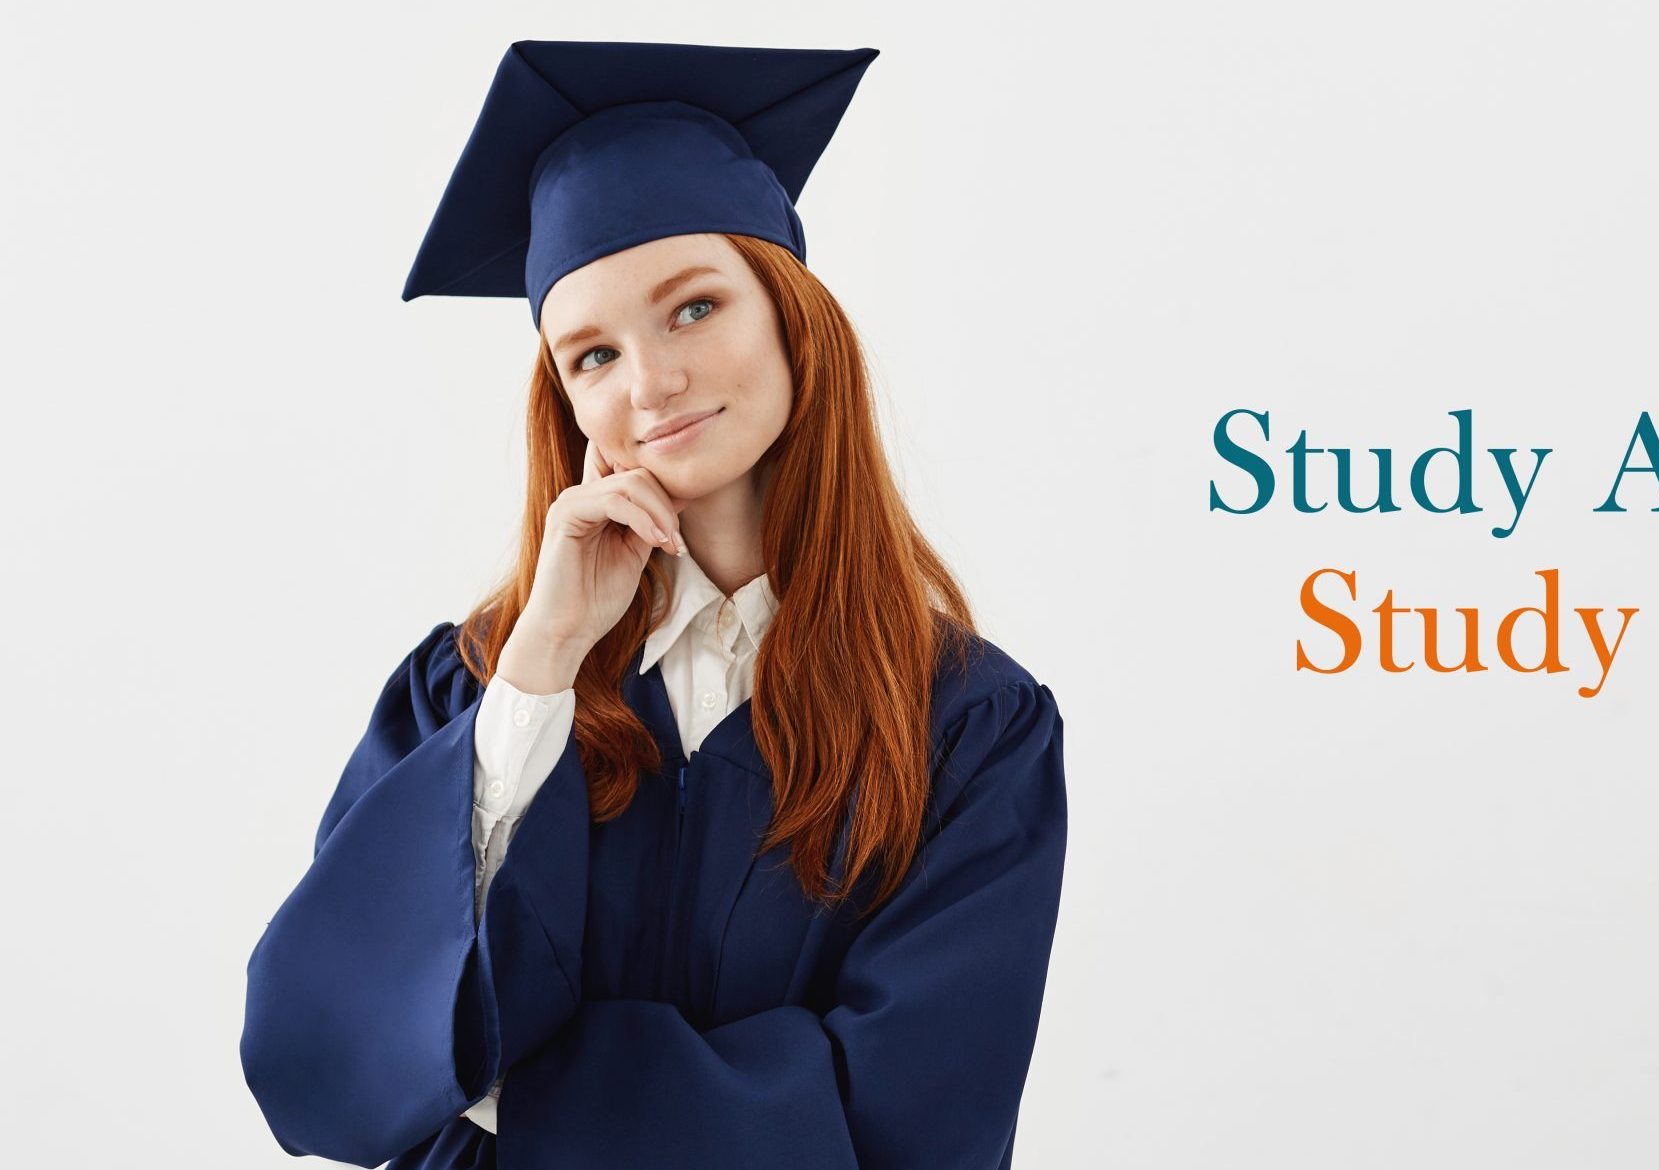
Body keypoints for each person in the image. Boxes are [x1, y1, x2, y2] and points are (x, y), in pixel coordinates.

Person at [239, 40, 1069, 1169]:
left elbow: (914, 1122)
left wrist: (501, 1086)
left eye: (692, 309)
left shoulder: (969, 725)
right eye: (590, 355)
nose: (648, 385)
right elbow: (330, 1073)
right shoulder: (472, 686)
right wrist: (540, 671)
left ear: (791, 317)